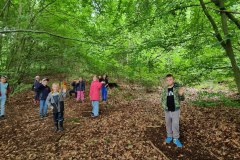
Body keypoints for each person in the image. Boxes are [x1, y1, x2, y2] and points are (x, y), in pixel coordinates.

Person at [161, 74, 185, 148]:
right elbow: (162, 98)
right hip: (167, 110)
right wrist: (163, 106)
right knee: (168, 123)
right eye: (167, 80)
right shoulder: (165, 89)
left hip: (175, 109)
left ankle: (176, 138)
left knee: (175, 124)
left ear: (173, 80)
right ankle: (169, 136)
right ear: (166, 81)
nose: (169, 81)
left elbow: (182, 98)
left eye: (170, 79)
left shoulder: (177, 88)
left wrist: (181, 94)